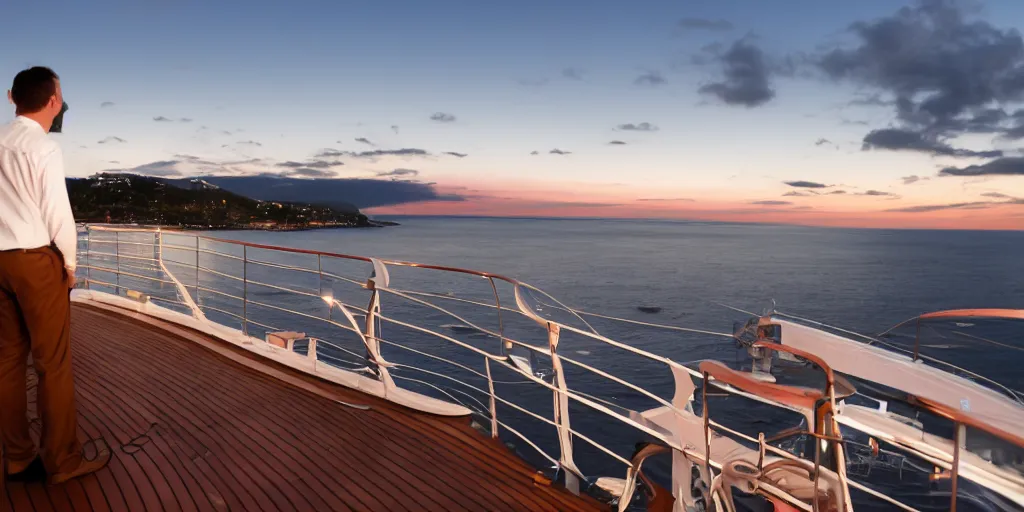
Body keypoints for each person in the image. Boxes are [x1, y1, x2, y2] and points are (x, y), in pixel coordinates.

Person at [0, 66, 110, 484]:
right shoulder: (43, 147)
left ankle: (16, 458)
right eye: (60, 96)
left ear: (12, 97)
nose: (61, 103)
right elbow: (57, 213)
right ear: (52, 102)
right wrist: (69, 264)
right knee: (52, 364)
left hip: (0, 260)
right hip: (34, 259)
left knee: (7, 360)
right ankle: (62, 461)